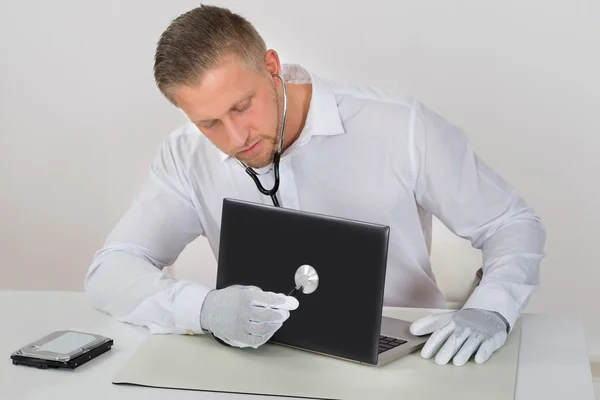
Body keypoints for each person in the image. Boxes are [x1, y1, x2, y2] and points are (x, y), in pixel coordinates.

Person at [84, 4, 546, 367]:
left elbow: (510, 222)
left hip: (401, 352)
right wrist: (202, 309)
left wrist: (492, 308)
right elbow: (112, 269)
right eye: (209, 123)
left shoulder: (400, 126)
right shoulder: (185, 155)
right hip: (260, 356)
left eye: (242, 106)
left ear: (271, 66)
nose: (236, 138)